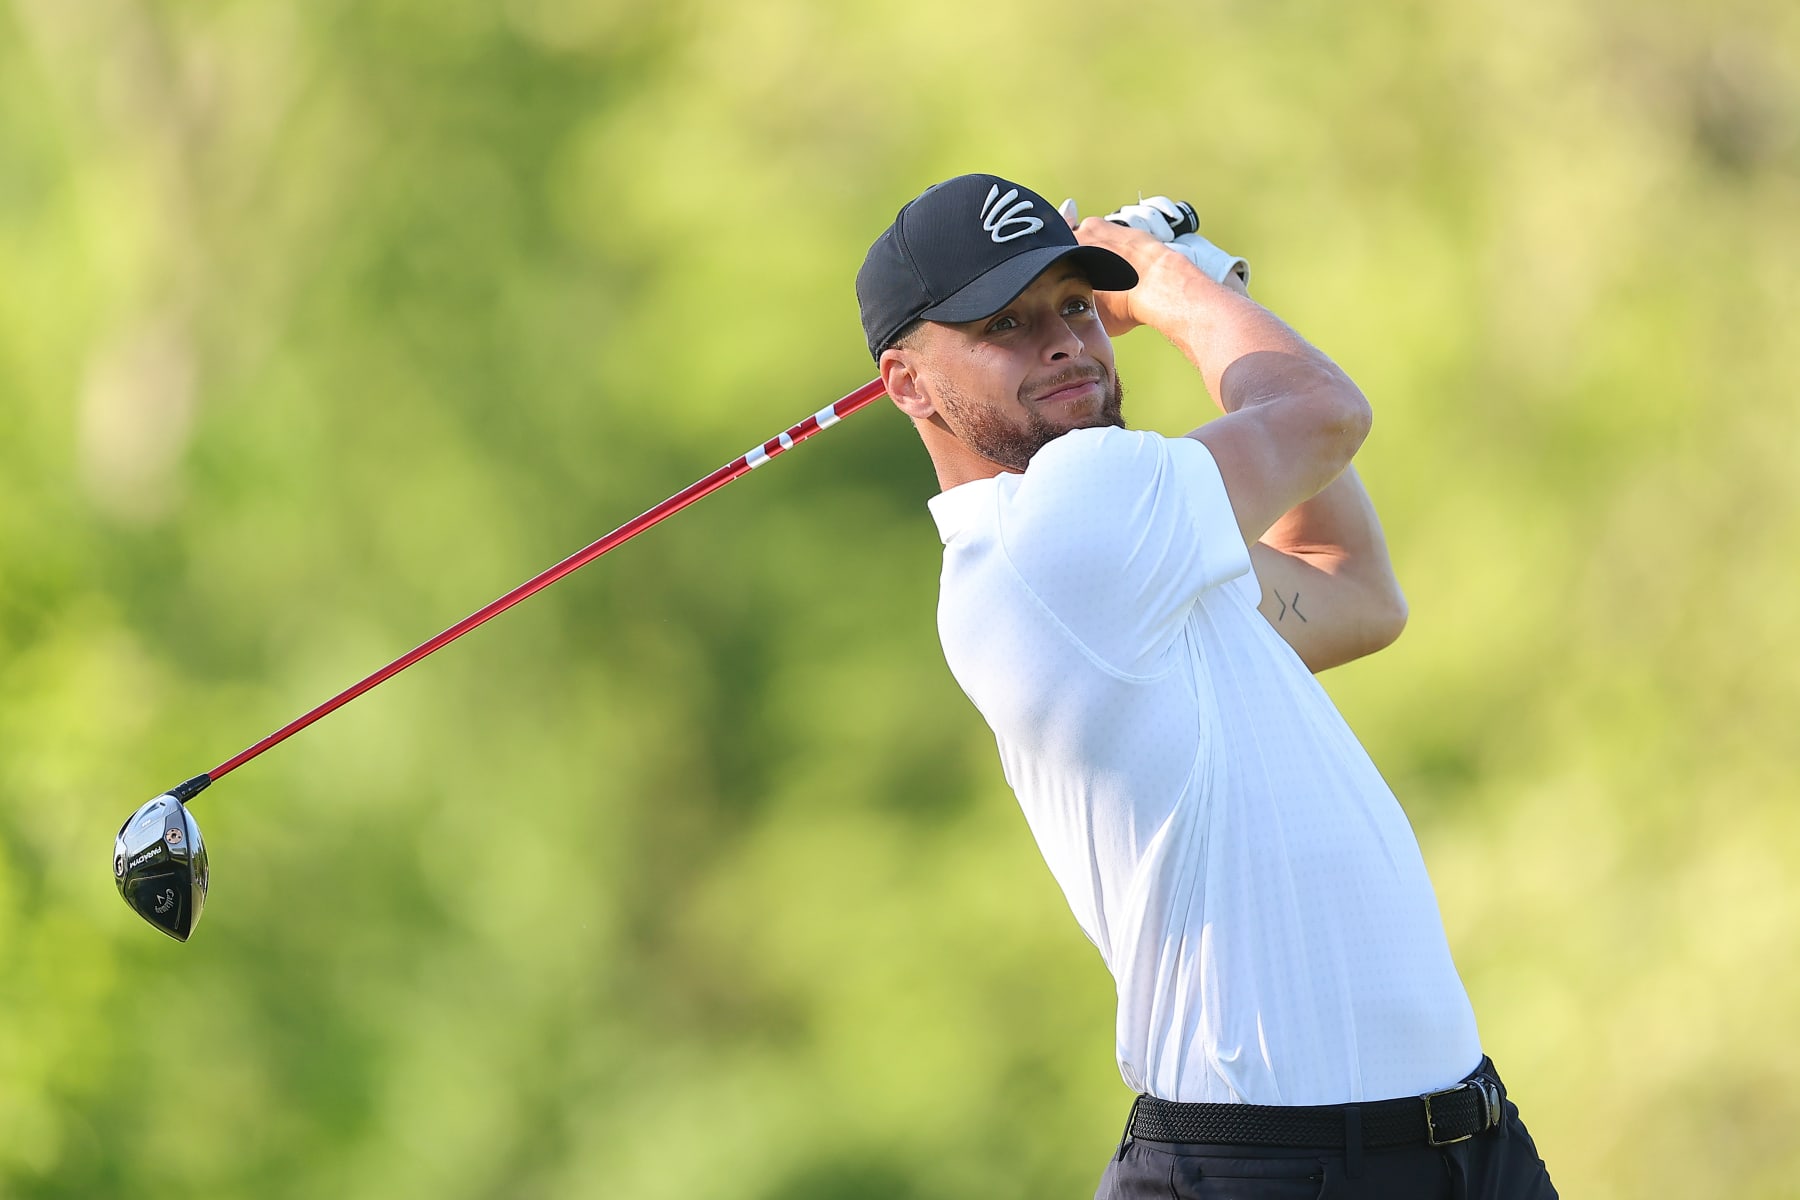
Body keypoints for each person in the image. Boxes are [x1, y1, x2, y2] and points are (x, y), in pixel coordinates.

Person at [855, 174, 1558, 1199]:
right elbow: (1323, 412)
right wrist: (1174, 286)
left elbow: (1350, 591)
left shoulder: (1134, 544)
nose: (1066, 342)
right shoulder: (1059, 531)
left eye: (1079, 306)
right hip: (1269, 1168)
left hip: (1462, 1141)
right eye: (1005, 323)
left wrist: (1193, 296)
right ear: (909, 385)